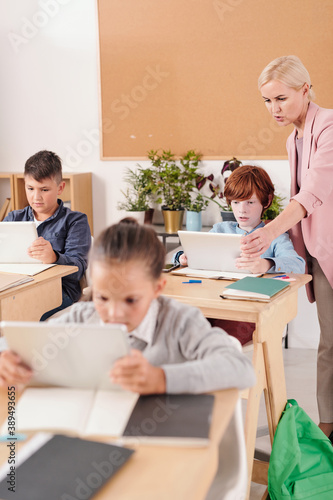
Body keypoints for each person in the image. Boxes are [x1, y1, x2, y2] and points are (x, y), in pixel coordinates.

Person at [0, 218, 256, 394]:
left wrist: (161, 379)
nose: (113, 313)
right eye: (102, 297)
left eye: (130, 300)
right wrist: (5, 359)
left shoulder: (180, 322)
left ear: (157, 288)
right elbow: (17, 344)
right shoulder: (81, 317)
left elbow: (240, 369)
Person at [241, 55, 333, 439]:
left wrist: (268, 231)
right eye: (267, 101)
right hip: (316, 249)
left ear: (305, 90)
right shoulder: (293, 137)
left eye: (281, 98)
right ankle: (327, 429)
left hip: (328, 246)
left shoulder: (329, 126)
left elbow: (312, 192)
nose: (273, 109)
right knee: (329, 344)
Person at [174, 165, 305, 344]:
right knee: (184, 330)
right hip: (214, 305)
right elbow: (195, 251)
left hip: (249, 314)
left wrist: (265, 264)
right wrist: (183, 257)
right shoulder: (220, 230)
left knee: (217, 341)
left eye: (250, 202)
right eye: (236, 202)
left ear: (266, 202)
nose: (242, 210)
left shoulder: (274, 236)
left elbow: (297, 264)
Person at [4, 150, 91, 320]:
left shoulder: (75, 221)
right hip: (17, 288)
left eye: (44, 189)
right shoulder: (14, 218)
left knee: (20, 312)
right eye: (30, 188)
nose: (36, 197)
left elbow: (78, 269)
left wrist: (53, 257)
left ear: (60, 188)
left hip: (59, 292)